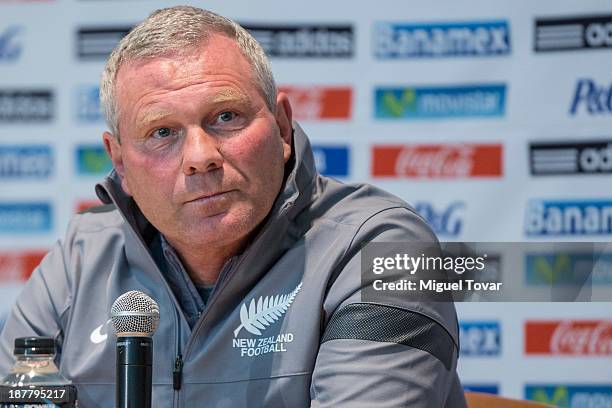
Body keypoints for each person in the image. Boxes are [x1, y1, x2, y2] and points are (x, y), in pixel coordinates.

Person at [0, 6, 466, 407]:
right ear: (120, 161)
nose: (200, 157)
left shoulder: (388, 249)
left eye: (226, 117)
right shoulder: (80, 259)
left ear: (282, 127)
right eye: (162, 132)